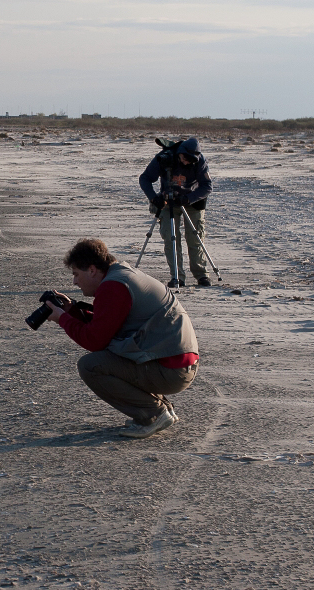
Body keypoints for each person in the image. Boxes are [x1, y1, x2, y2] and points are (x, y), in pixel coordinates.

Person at [43, 238, 199, 438]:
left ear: (92, 270)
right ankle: (162, 410)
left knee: (91, 366)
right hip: (178, 365)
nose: (74, 281)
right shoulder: (122, 275)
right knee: (110, 355)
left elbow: (95, 341)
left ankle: (153, 414)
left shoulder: (113, 287)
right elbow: (108, 326)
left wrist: (62, 319)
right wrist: (72, 312)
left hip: (171, 370)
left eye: (76, 274)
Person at [139, 137, 212, 287]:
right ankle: (177, 276)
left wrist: (188, 199)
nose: (186, 162)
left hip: (192, 201)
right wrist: (153, 198)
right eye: (185, 158)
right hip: (167, 202)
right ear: (180, 152)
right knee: (171, 238)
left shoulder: (200, 161)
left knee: (195, 237)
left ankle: (201, 274)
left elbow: (207, 186)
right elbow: (145, 178)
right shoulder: (164, 158)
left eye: (190, 160)